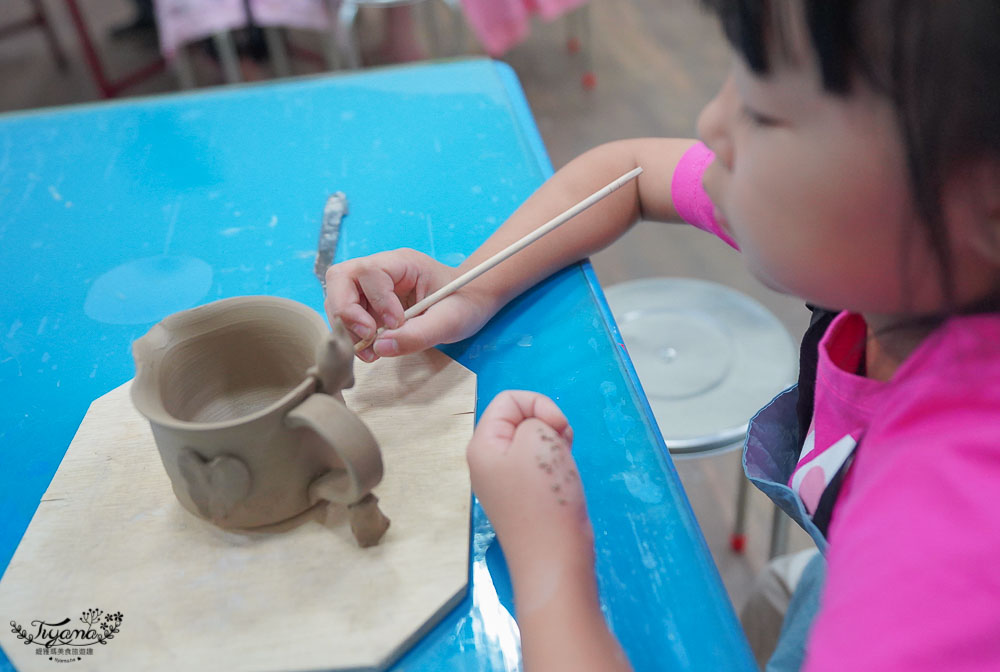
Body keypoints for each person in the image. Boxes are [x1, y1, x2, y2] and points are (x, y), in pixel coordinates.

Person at [323, 0, 1000, 669]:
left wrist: (549, 555)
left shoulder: (945, 552)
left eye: (764, 111)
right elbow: (629, 172)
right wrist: (470, 288)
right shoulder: (901, 255)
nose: (712, 121)